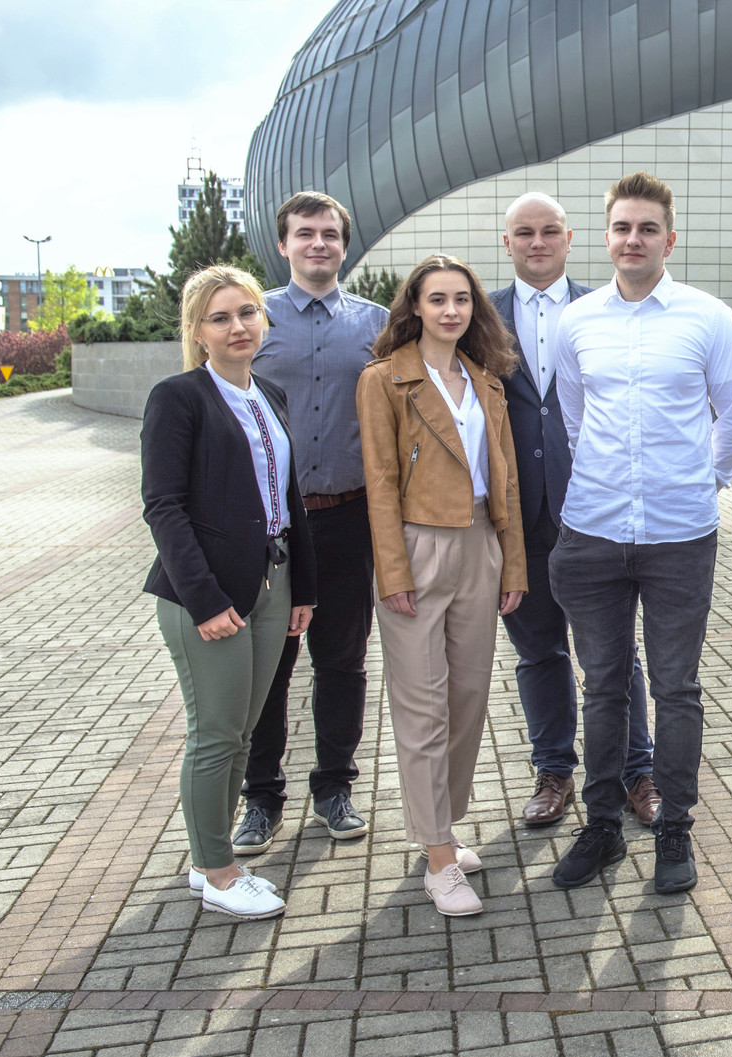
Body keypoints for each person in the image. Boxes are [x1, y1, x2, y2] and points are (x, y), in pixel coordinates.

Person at [547, 172, 732, 895]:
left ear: (670, 238)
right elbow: (574, 419)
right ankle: (602, 826)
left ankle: (674, 829)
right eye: (622, 228)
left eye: (647, 228)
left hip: (679, 537)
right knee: (602, 686)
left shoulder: (708, 318)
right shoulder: (577, 323)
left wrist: (701, 483)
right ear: (606, 237)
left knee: (676, 687)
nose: (633, 239)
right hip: (594, 532)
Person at [141, 264, 317, 921]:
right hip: (208, 594)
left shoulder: (269, 394)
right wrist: (206, 599)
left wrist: (303, 587)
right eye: (220, 317)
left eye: (246, 313)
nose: (237, 326)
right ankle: (216, 871)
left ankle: (211, 860)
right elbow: (162, 506)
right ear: (197, 331)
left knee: (244, 732)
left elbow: (289, 499)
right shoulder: (178, 398)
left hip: (273, 583)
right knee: (215, 734)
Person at [356, 253, 527, 917]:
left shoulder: (486, 381)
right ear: (415, 308)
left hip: (481, 543)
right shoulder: (384, 380)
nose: (451, 310)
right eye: (437, 299)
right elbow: (379, 482)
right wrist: (392, 571)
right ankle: (436, 857)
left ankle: (443, 829)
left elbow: (506, 479)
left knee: (468, 697)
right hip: (418, 546)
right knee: (423, 705)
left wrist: (512, 564)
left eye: (462, 299)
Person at [488, 192, 660, 830]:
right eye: (524, 233)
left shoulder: (607, 309)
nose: (537, 243)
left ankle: (636, 771)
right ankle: (554, 770)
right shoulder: (478, 316)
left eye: (549, 231)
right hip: (517, 517)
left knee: (615, 654)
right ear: (508, 242)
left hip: (596, 511)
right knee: (538, 652)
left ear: (569, 237)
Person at [238, 192, 388, 854]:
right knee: (268, 667)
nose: (318, 244)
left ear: (344, 245)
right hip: (268, 528)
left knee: (343, 662)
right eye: (305, 233)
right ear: (284, 244)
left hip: (348, 519)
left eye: (329, 234)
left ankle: (334, 787)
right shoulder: (253, 318)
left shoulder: (378, 325)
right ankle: (261, 798)